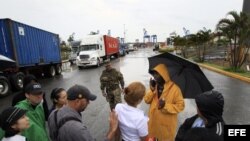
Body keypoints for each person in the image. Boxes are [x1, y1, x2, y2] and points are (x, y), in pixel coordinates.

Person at [48, 84, 118, 141]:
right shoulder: (78, 129)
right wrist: (112, 130)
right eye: (87, 100)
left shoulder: (53, 114)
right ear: (77, 101)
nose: (89, 102)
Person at [144, 64, 185, 141]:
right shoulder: (155, 86)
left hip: (166, 125)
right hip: (154, 123)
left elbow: (180, 106)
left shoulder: (175, 89)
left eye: (157, 74)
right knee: (154, 136)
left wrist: (165, 106)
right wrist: (152, 91)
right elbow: (146, 100)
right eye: (154, 74)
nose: (155, 76)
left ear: (163, 74)